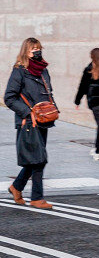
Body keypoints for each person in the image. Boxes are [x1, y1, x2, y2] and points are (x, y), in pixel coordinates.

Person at [4, 38, 56, 209]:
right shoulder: (19, 71)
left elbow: (47, 92)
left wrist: (52, 108)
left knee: (33, 160)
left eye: (39, 48)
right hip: (28, 121)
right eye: (34, 49)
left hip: (43, 120)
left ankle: (16, 187)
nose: (37, 51)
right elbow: (9, 98)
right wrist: (28, 112)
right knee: (39, 160)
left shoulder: (43, 70)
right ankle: (37, 198)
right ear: (26, 51)